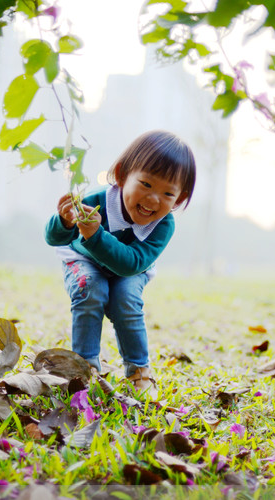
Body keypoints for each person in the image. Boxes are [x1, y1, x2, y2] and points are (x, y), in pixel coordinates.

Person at [44, 130, 196, 397]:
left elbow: (132, 263)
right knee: (91, 289)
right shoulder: (97, 201)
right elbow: (55, 238)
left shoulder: (163, 225)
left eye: (167, 194)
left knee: (125, 299)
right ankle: (84, 369)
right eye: (146, 185)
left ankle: (139, 370)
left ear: (179, 199)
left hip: (132, 268)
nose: (153, 200)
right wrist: (65, 221)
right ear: (123, 174)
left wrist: (96, 235)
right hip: (85, 260)